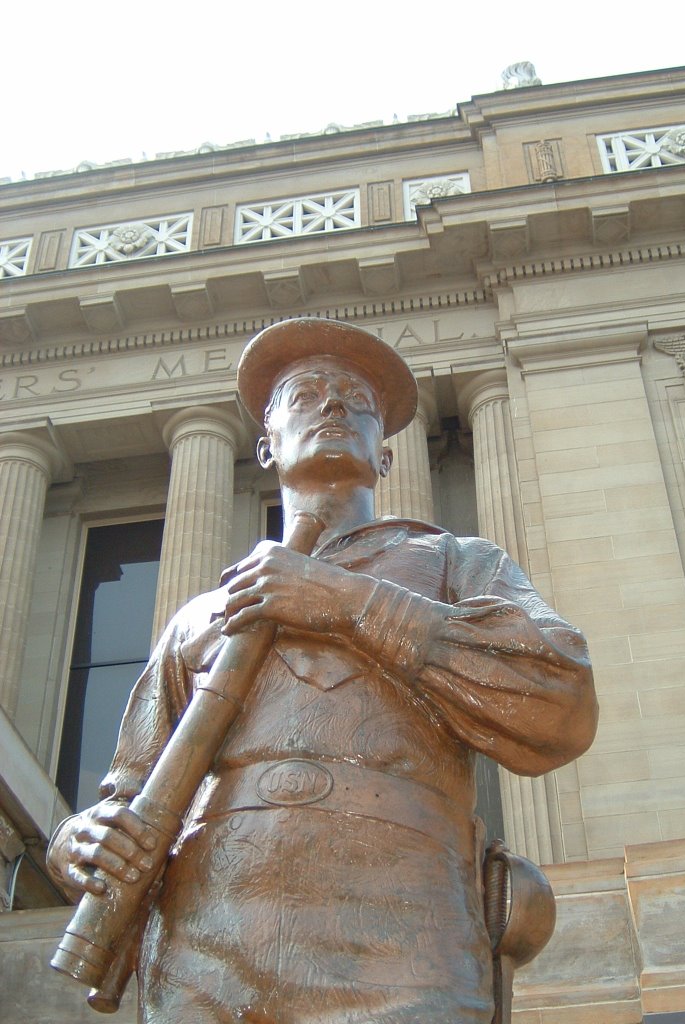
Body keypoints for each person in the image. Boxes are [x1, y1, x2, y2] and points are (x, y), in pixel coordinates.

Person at [48, 317, 597, 1024]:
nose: (335, 405)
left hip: (407, 935)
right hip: (207, 947)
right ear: (265, 445)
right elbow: (128, 788)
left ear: (387, 457)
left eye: (357, 399)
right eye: (306, 394)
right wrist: (78, 841)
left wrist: (344, 602)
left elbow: (560, 699)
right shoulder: (198, 617)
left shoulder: (456, 564)